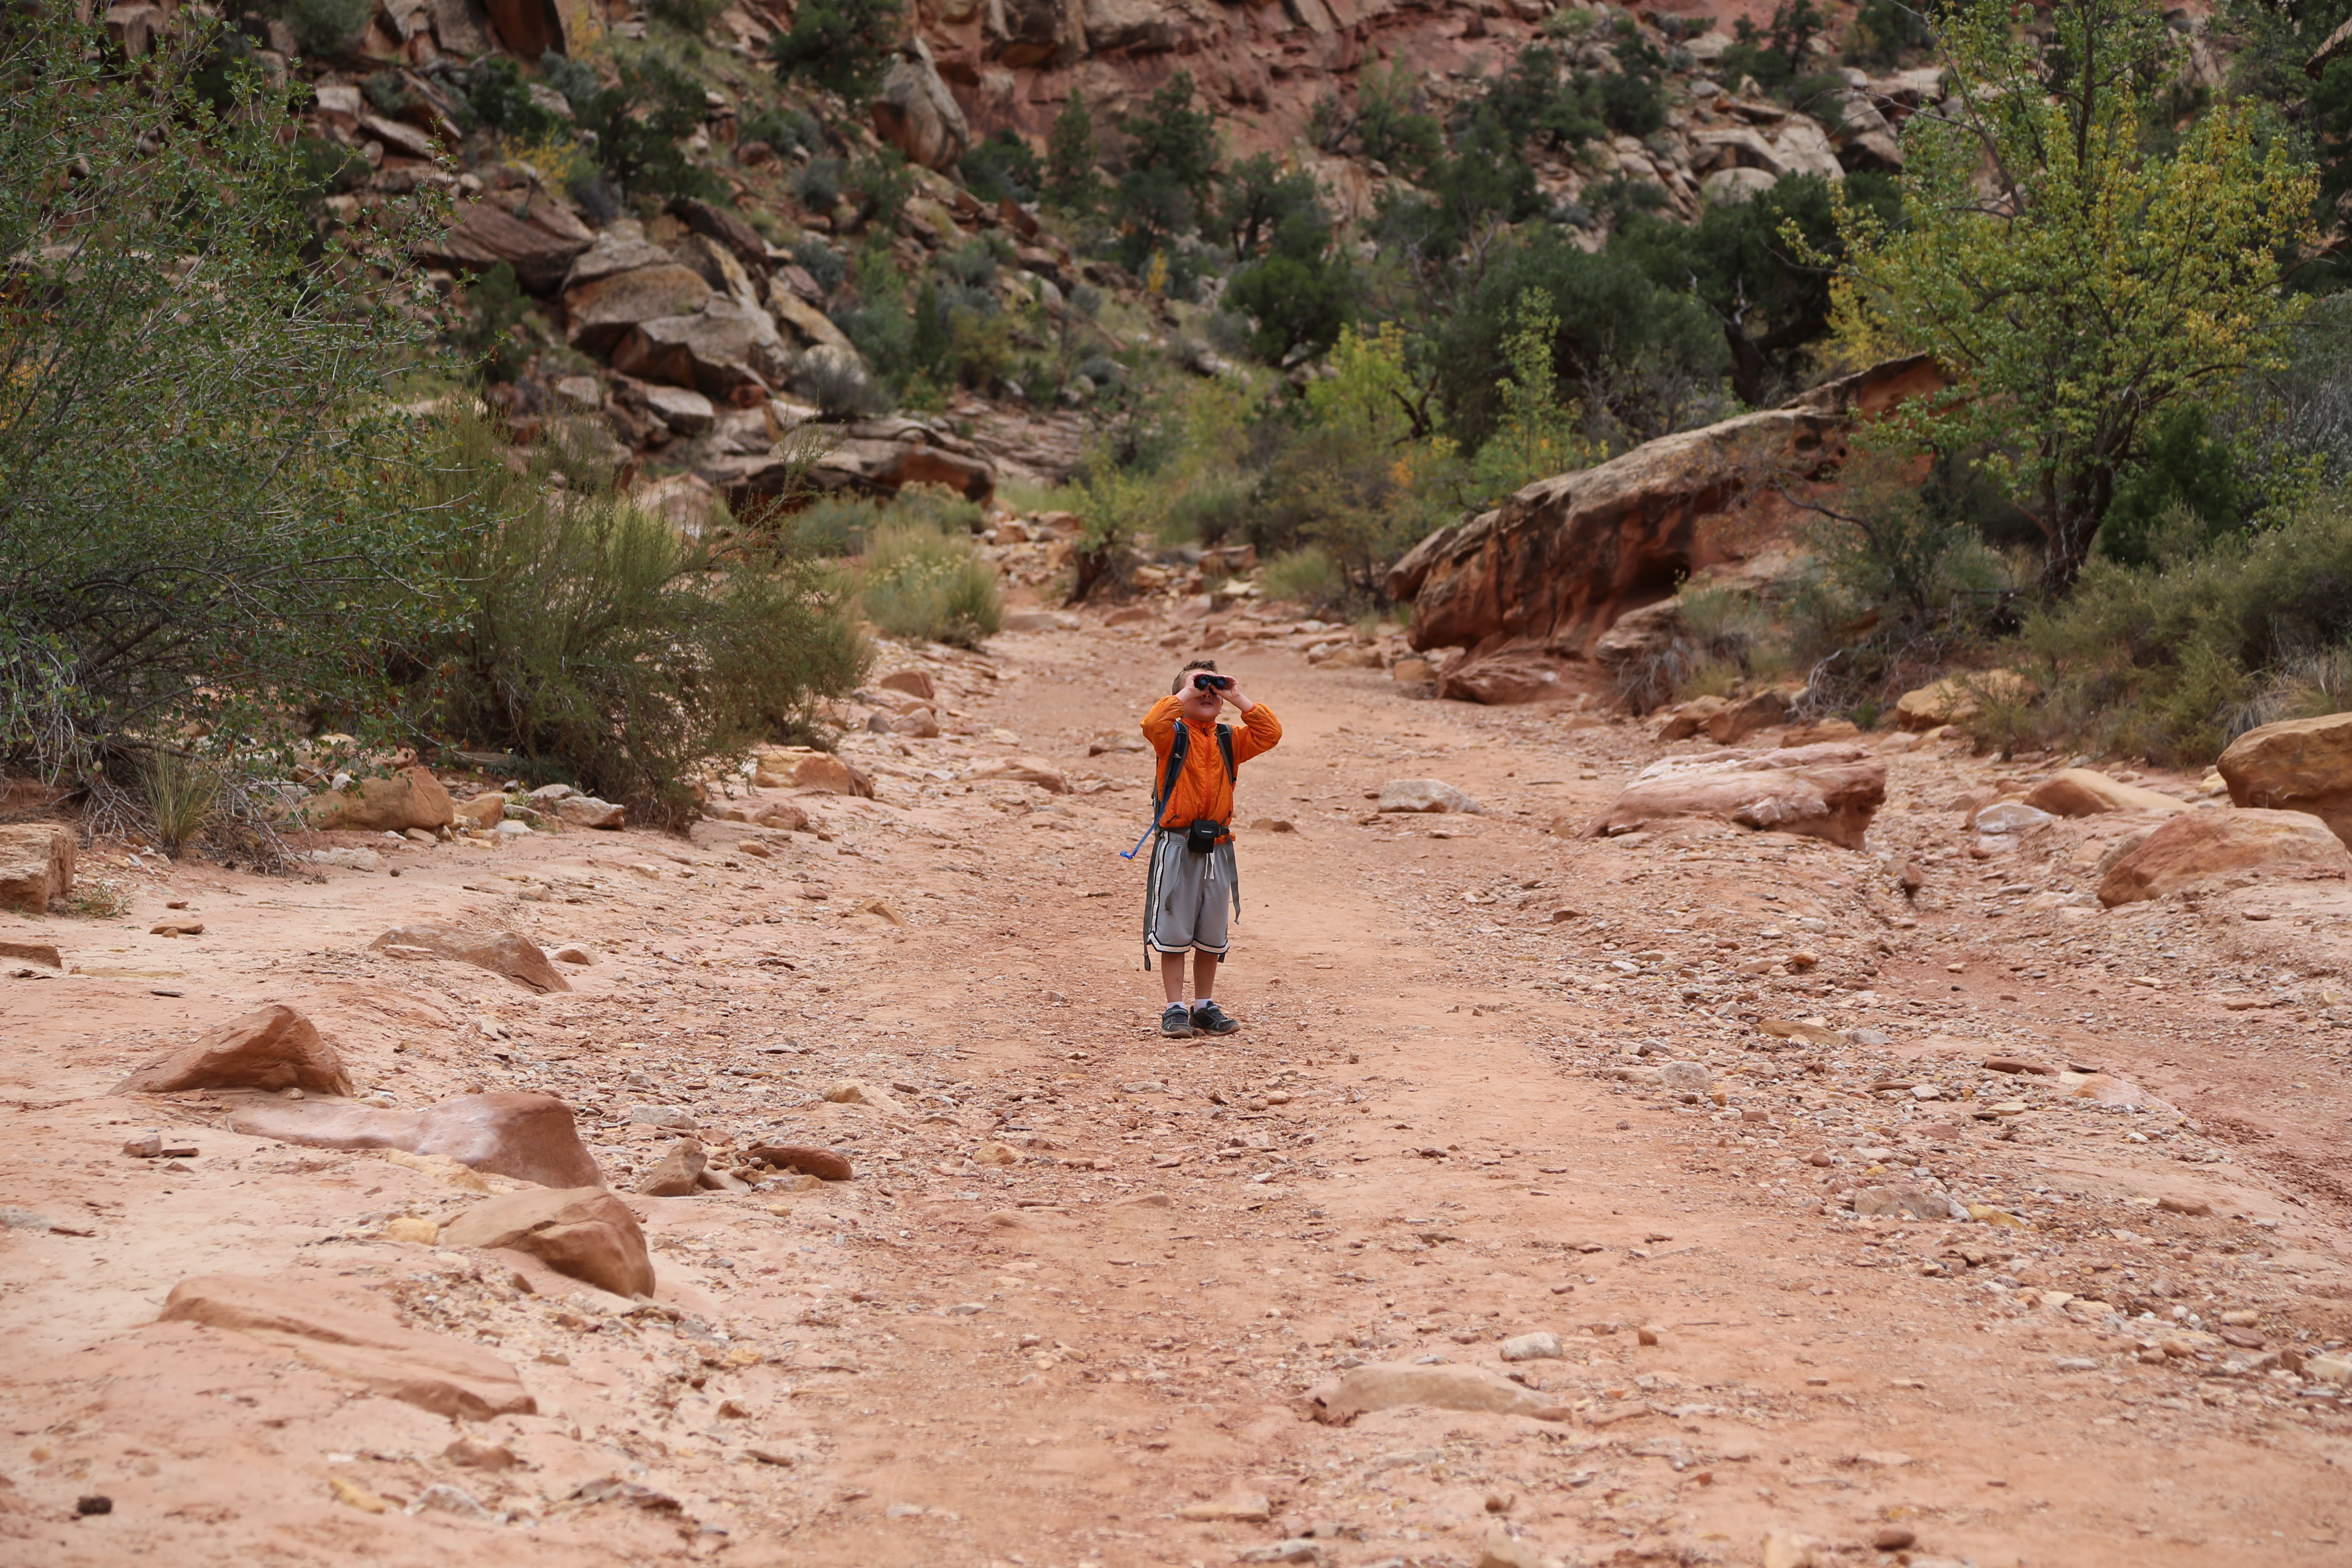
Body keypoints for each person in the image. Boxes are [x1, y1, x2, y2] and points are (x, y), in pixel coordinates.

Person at [1138, 659, 1282, 1037]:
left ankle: (1203, 1005)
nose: (1206, 693)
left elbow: (1270, 733)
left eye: (1211, 689)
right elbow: (1153, 723)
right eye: (1197, 687)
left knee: (1211, 930)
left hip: (1217, 845)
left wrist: (1236, 696)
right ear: (1180, 697)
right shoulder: (1172, 736)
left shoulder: (1228, 739)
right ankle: (1174, 1008)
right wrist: (1184, 691)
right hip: (1178, 844)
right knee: (1174, 928)